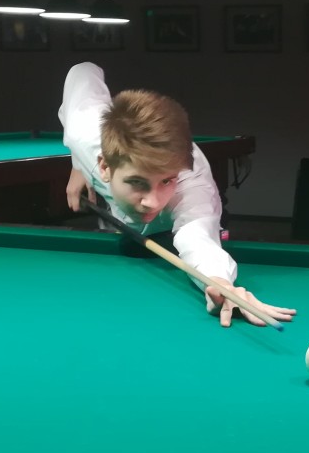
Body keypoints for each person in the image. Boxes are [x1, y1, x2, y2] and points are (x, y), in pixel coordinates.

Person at [58, 62, 294, 328]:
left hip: (174, 228)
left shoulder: (192, 183)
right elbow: (83, 70)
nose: (153, 201)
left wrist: (219, 283)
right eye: (137, 182)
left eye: (167, 181)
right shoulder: (83, 129)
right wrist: (78, 164)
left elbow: (197, 237)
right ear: (104, 167)